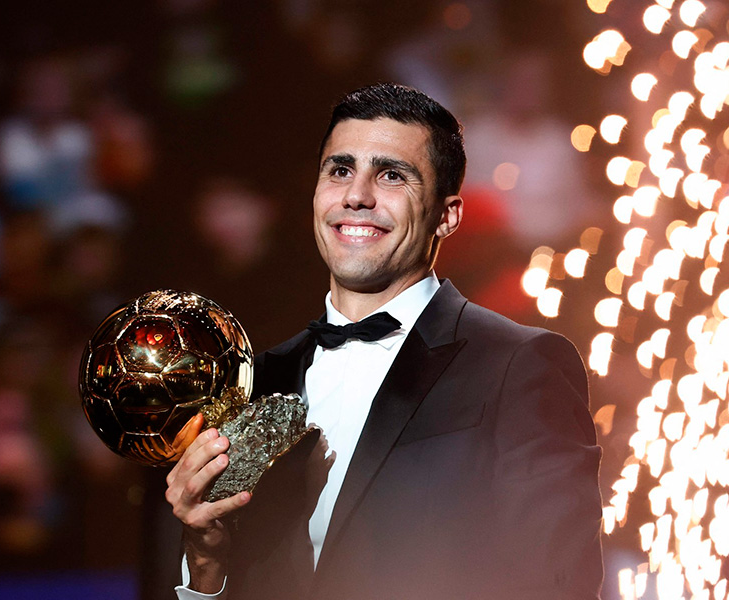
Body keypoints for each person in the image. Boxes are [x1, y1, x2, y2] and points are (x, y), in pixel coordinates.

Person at [165, 83, 603, 599]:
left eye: (392, 175)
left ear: (447, 215)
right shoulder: (257, 381)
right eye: (340, 170)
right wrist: (206, 562)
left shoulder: (519, 365)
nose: (356, 195)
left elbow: (559, 584)